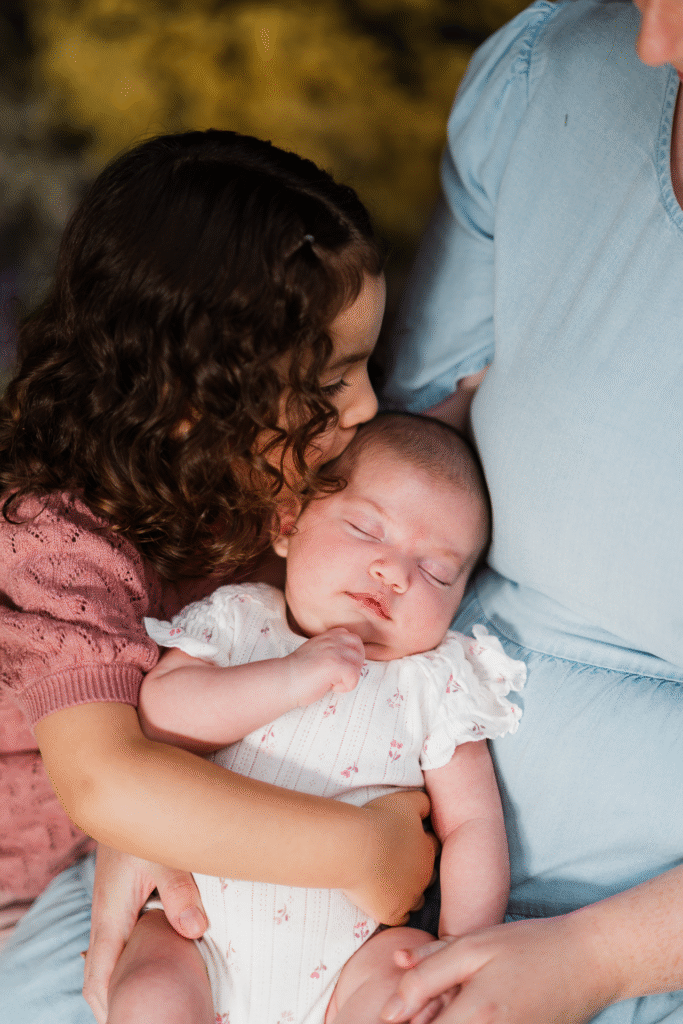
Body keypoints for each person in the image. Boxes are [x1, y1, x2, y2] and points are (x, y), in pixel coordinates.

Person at [0, 129, 438, 1024]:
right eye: (332, 379)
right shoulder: (57, 537)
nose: (364, 407)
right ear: (199, 403)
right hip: (25, 884)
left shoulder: (277, 474)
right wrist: (359, 849)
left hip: (177, 857)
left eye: (368, 366)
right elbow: (109, 784)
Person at [377, 1, 683, 1023]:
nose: (653, 39)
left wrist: (592, 958)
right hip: (373, 783)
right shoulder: (554, 70)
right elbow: (392, 450)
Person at [104, 412, 525, 1024]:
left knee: (407, 971)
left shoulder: (435, 680)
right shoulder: (243, 618)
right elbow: (163, 713)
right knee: (148, 995)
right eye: (365, 529)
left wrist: (458, 953)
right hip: (194, 934)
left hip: (348, 963)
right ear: (287, 525)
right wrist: (289, 678)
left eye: (436, 570)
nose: (396, 573)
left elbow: (474, 826)